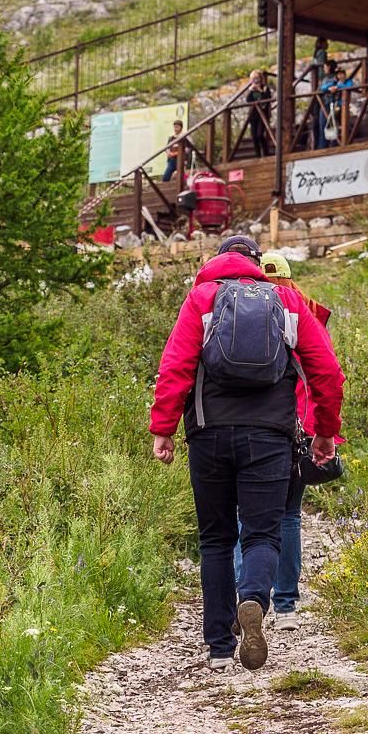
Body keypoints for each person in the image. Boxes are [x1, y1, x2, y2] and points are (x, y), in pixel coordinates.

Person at [150, 236, 344, 672]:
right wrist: (325, 433)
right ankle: (254, 599)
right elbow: (328, 372)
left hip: (208, 436)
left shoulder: (201, 299)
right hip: (270, 436)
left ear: (215, 262)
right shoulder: (287, 301)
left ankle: (219, 647)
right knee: (262, 533)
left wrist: (163, 429)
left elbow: (175, 368)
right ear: (257, 264)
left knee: (216, 538)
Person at [232, 251, 341, 631]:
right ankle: (287, 603)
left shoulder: (248, 315)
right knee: (289, 515)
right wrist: (324, 431)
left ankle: (244, 594)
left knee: (244, 514)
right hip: (304, 427)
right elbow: (326, 374)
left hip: (262, 426)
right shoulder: (306, 313)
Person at [246, 70, 272, 158]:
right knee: (254, 136)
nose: (255, 81)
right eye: (253, 79)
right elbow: (248, 100)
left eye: (257, 79)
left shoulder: (265, 88)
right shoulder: (251, 89)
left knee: (260, 134)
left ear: (261, 79)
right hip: (253, 115)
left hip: (262, 115)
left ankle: (265, 153)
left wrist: (260, 91)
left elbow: (267, 99)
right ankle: (258, 156)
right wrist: (250, 91)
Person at [316, 59, 337, 149]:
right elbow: (322, 88)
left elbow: (321, 88)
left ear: (329, 67)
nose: (324, 69)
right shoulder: (327, 78)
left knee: (326, 125)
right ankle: (326, 145)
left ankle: (324, 146)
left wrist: (326, 88)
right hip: (326, 103)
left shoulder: (332, 78)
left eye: (325, 67)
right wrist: (328, 88)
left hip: (328, 104)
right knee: (327, 125)